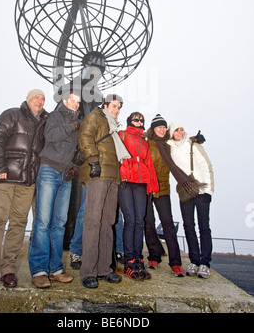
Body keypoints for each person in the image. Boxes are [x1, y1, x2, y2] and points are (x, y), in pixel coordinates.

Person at [0, 89, 48, 292]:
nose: (40, 100)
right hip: (6, 177)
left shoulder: (45, 122)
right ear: (28, 100)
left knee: (18, 223)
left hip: (27, 181)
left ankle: (8, 269)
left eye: (43, 98)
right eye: (36, 97)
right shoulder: (12, 114)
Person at [28, 90, 81, 289]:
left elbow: (76, 150)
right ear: (65, 100)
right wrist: (72, 126)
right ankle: (39, 270)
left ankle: (55, 269)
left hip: (65, 174)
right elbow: (50, 135)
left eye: (78, 102)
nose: (77, 104)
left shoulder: (79, 121)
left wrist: (74, 166)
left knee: (59, 223)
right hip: (49, 170)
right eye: (74, 101)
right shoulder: (55, 116)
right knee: (43, 221)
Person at [78, 94, 130, 288]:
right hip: (97, 174)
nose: (116, 110)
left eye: (118, 108)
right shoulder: (95, 116)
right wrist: (93, 160)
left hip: (112, 177)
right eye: (114, 106)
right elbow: (85, 137)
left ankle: (104, 269)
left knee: (108, 222)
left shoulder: (113, 126)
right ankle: (88, 272)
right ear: (105, 105)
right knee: (93, 221)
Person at [168, 122, 214, 278]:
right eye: (176, 130)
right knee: (188, 226)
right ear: (171, 133)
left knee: (204, 227)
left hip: (201, 189)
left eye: (182, 129)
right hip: (185, 191)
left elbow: (207, 166)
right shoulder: (170, 148)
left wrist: (208, 191)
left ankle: (205, 263)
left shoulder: (193, 145)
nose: (180, 132)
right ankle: (194, 260)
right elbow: (156, 139)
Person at [118, 112, 159, 280]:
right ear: (130, 121)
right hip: (126, 181)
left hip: (142, 181)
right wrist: (122, 174)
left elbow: (149, 162)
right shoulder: (122, 135)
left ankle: (138, 258)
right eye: (135, 119)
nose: (139, 121)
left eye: (141, 120)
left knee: (140, 221)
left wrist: (152, 186)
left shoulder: (144, 141)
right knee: (130, 219)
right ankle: (129, 259)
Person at [144, 114, 185, 277]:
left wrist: (194, 139)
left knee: (167, 223)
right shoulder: (147, 144)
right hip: (147, 188)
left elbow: (183, 142)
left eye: (164, 127)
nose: (162, 130)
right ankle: (154, 256)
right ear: (153, 129)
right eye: (159, 127)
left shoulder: (169, 145)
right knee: (148, 222)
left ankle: (175, 263)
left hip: (163, 189)